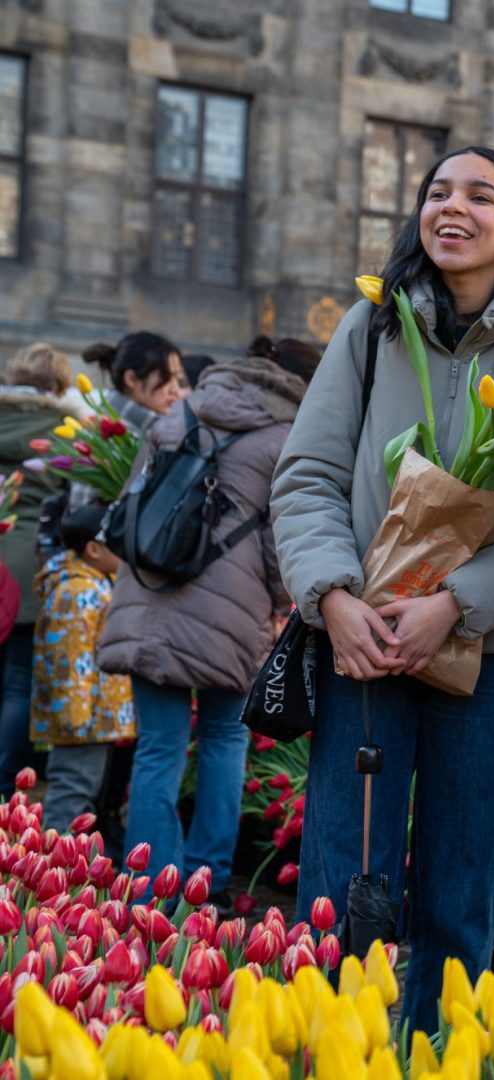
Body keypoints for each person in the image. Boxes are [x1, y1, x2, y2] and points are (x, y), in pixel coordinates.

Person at [272, 145, 494, 1036]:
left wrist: (455, 603)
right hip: (366, 650)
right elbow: (306, 477)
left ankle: (432, 1054)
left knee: (461, 903)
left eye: (479, 196)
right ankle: (338, 1052)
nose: (450, 207)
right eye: (436, 192)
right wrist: (333, 597)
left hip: (490, 665)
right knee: (345, 894)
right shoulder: (371, 329)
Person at [99, 336, 318, 895]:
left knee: (159, 746)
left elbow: (128, 507)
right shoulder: (285, 438)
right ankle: (207, 879)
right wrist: (276, 607)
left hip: (151, 597)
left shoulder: (177, 415)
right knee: (224, 738)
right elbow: (279, 546)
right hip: (232, 612)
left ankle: (145, 884)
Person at [0, 343, 87, 794]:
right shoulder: (67, 432)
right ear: (57, 386)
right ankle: (5, 787)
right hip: (31, 570)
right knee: (19, 683)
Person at [32, 502, 134, 832]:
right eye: (118, 543)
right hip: (83, 720)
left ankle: (65, 861)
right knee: (73, 789)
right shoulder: (79, 591)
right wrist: (77, 718)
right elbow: (71, 660)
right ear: (93, 549)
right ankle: (49, 863)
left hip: (95, 717)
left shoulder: (94, 582)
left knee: (85, 791)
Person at [83, 333, 185, 432]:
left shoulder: (166, 430)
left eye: (178, 380)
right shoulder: (106, 437)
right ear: (131, 379)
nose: (175, 391)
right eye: (165, 378)